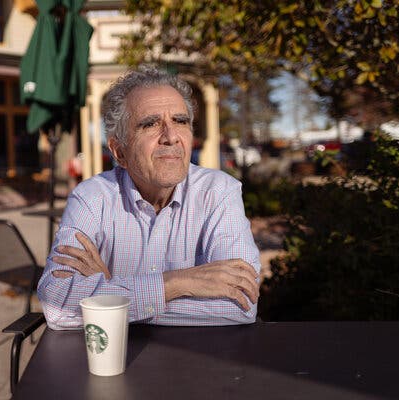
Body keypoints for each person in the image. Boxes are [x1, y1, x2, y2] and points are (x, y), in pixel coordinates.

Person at [37, 66, 260, 330]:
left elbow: (240, 305)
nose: (170, 137)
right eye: (150, 124)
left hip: (197, 363)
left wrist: (111, 290)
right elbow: (56, 305)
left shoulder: (219, 192)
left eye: (180, 121)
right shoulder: (91, 198)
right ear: (119, 152)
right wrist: (178, 283)